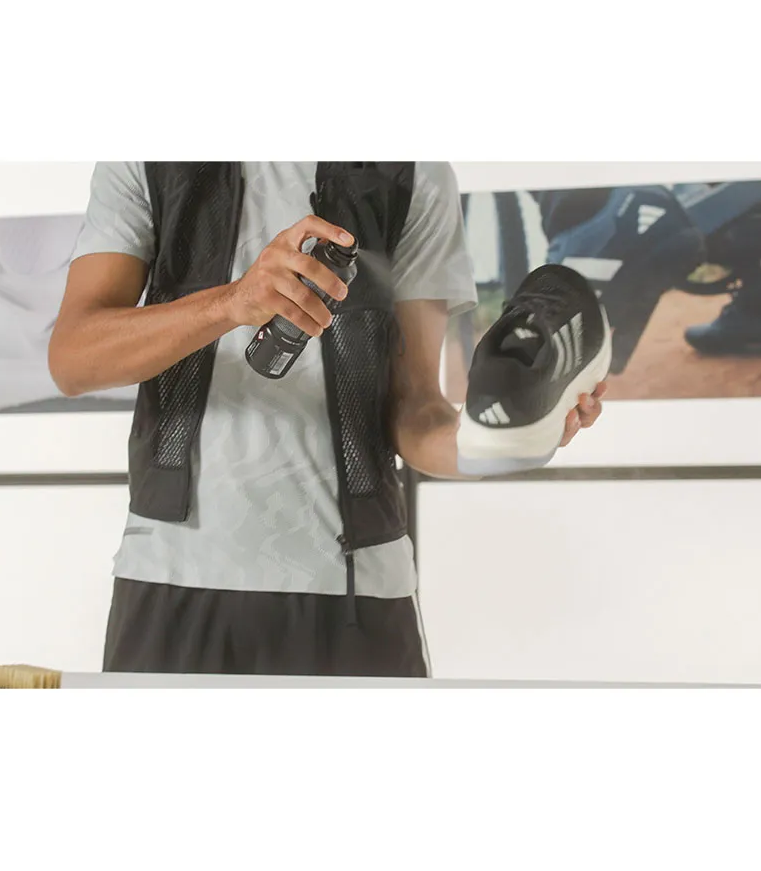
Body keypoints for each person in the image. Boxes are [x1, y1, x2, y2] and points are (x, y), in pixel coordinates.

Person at [48, 162, 606, 678]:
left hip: (358, 594)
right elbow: (73, 359)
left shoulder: (413, 170)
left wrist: (508, 436)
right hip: (169, 580)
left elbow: (417, 410)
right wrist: (232, 303)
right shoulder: (147, 158)